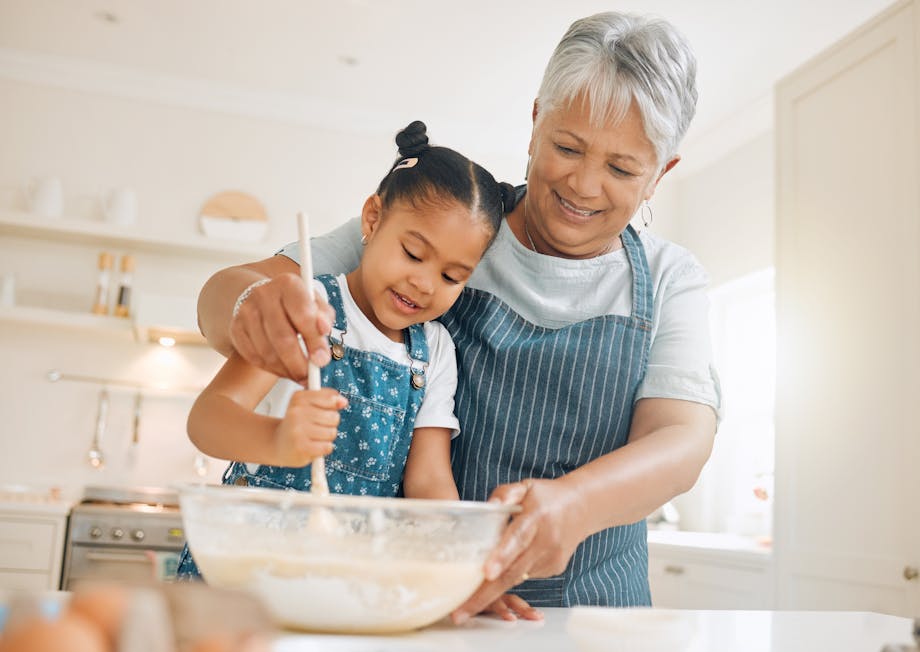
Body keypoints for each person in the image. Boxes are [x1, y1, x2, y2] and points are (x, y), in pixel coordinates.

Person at [194, 11, 720, 622]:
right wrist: (247, 308)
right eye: (567, 147)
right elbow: (232, 295)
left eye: (622, 168)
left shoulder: (669, 278)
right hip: (420, 600)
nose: (583, 184)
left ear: (662, 173)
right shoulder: (451, 221)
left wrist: (575, 504)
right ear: (534, 122)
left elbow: (681, 439)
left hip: (595, 614)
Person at [175, 121, 524, 603]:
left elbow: (428, 482)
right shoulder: (306, 307)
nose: (425, 282)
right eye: (413, 253)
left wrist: (465, 573)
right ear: (372, 219)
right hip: (245, 578)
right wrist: (276, 440)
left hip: (351, 585)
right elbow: (207, 420)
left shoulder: (436, 351)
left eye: (451, 275)